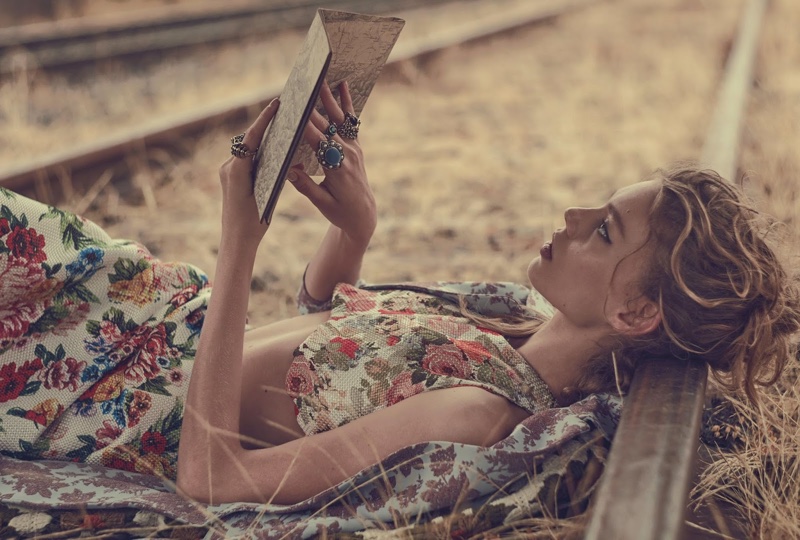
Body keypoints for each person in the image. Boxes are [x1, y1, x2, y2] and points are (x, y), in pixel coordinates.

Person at [2, 82, 799, 508]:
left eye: (603, 232)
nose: (573, 214)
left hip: (99, 388)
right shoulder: (505, 322)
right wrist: (355, 229)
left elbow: (213, 480)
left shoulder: (474, 412)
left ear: (633, 312)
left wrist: (240, 243)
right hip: (135, 303)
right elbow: (325, 346)